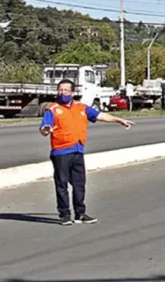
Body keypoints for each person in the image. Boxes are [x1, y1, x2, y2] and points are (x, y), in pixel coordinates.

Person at [39, 80, 135, 226]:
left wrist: (118, 120)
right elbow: (44, 128)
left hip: (78, 150)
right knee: (62, 184)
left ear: (72, 92)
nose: (62, 93)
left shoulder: (81, 108)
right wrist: (45, 130)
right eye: (60, 90)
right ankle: (64, 214)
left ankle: (80, 214)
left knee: (79, 184)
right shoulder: (52, 109)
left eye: (65, 90)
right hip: (61, 152)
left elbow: (100, 116)